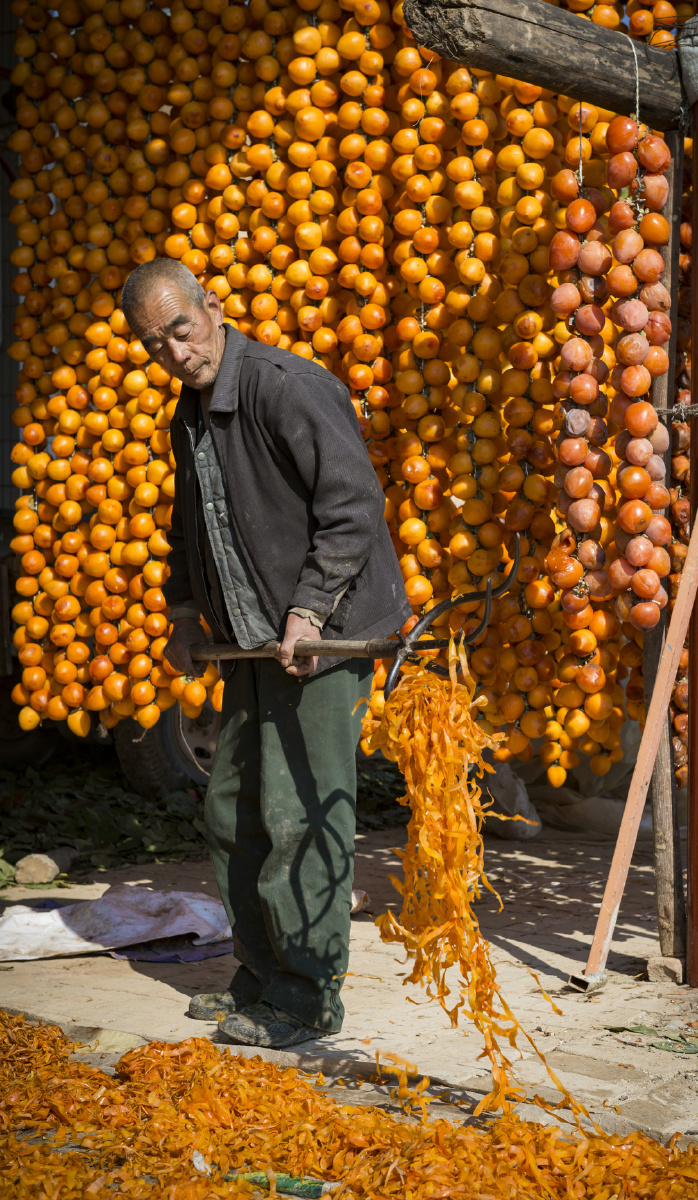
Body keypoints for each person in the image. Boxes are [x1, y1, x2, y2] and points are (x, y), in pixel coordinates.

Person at [120, 259, 409, 1048]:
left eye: (181, 329)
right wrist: (186, 614)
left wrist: (309, 607)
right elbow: (192, 527)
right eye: (156, 344)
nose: (175, 352)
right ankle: (259, 980)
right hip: (249, 644)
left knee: (299, 815)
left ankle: (307, 999)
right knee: (230, 811)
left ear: (212, 309)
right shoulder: (189, 413)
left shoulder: (286, 386)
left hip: (326, 631)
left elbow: (353, 505)